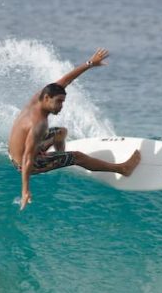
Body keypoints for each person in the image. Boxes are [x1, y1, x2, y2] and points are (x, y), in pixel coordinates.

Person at [7, 48, 141, 210]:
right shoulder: (38, 123)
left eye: (63, 101)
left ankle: (57, 159)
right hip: (26, 164)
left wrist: (90, 63)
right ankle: (122, 169)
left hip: (17, 153)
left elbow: (66, 80)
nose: (61, 106)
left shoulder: (39, 98)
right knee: (77, 157)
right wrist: (25, 191)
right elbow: (28, 158)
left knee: (60, 133)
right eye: (59, 102)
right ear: (47, 98)